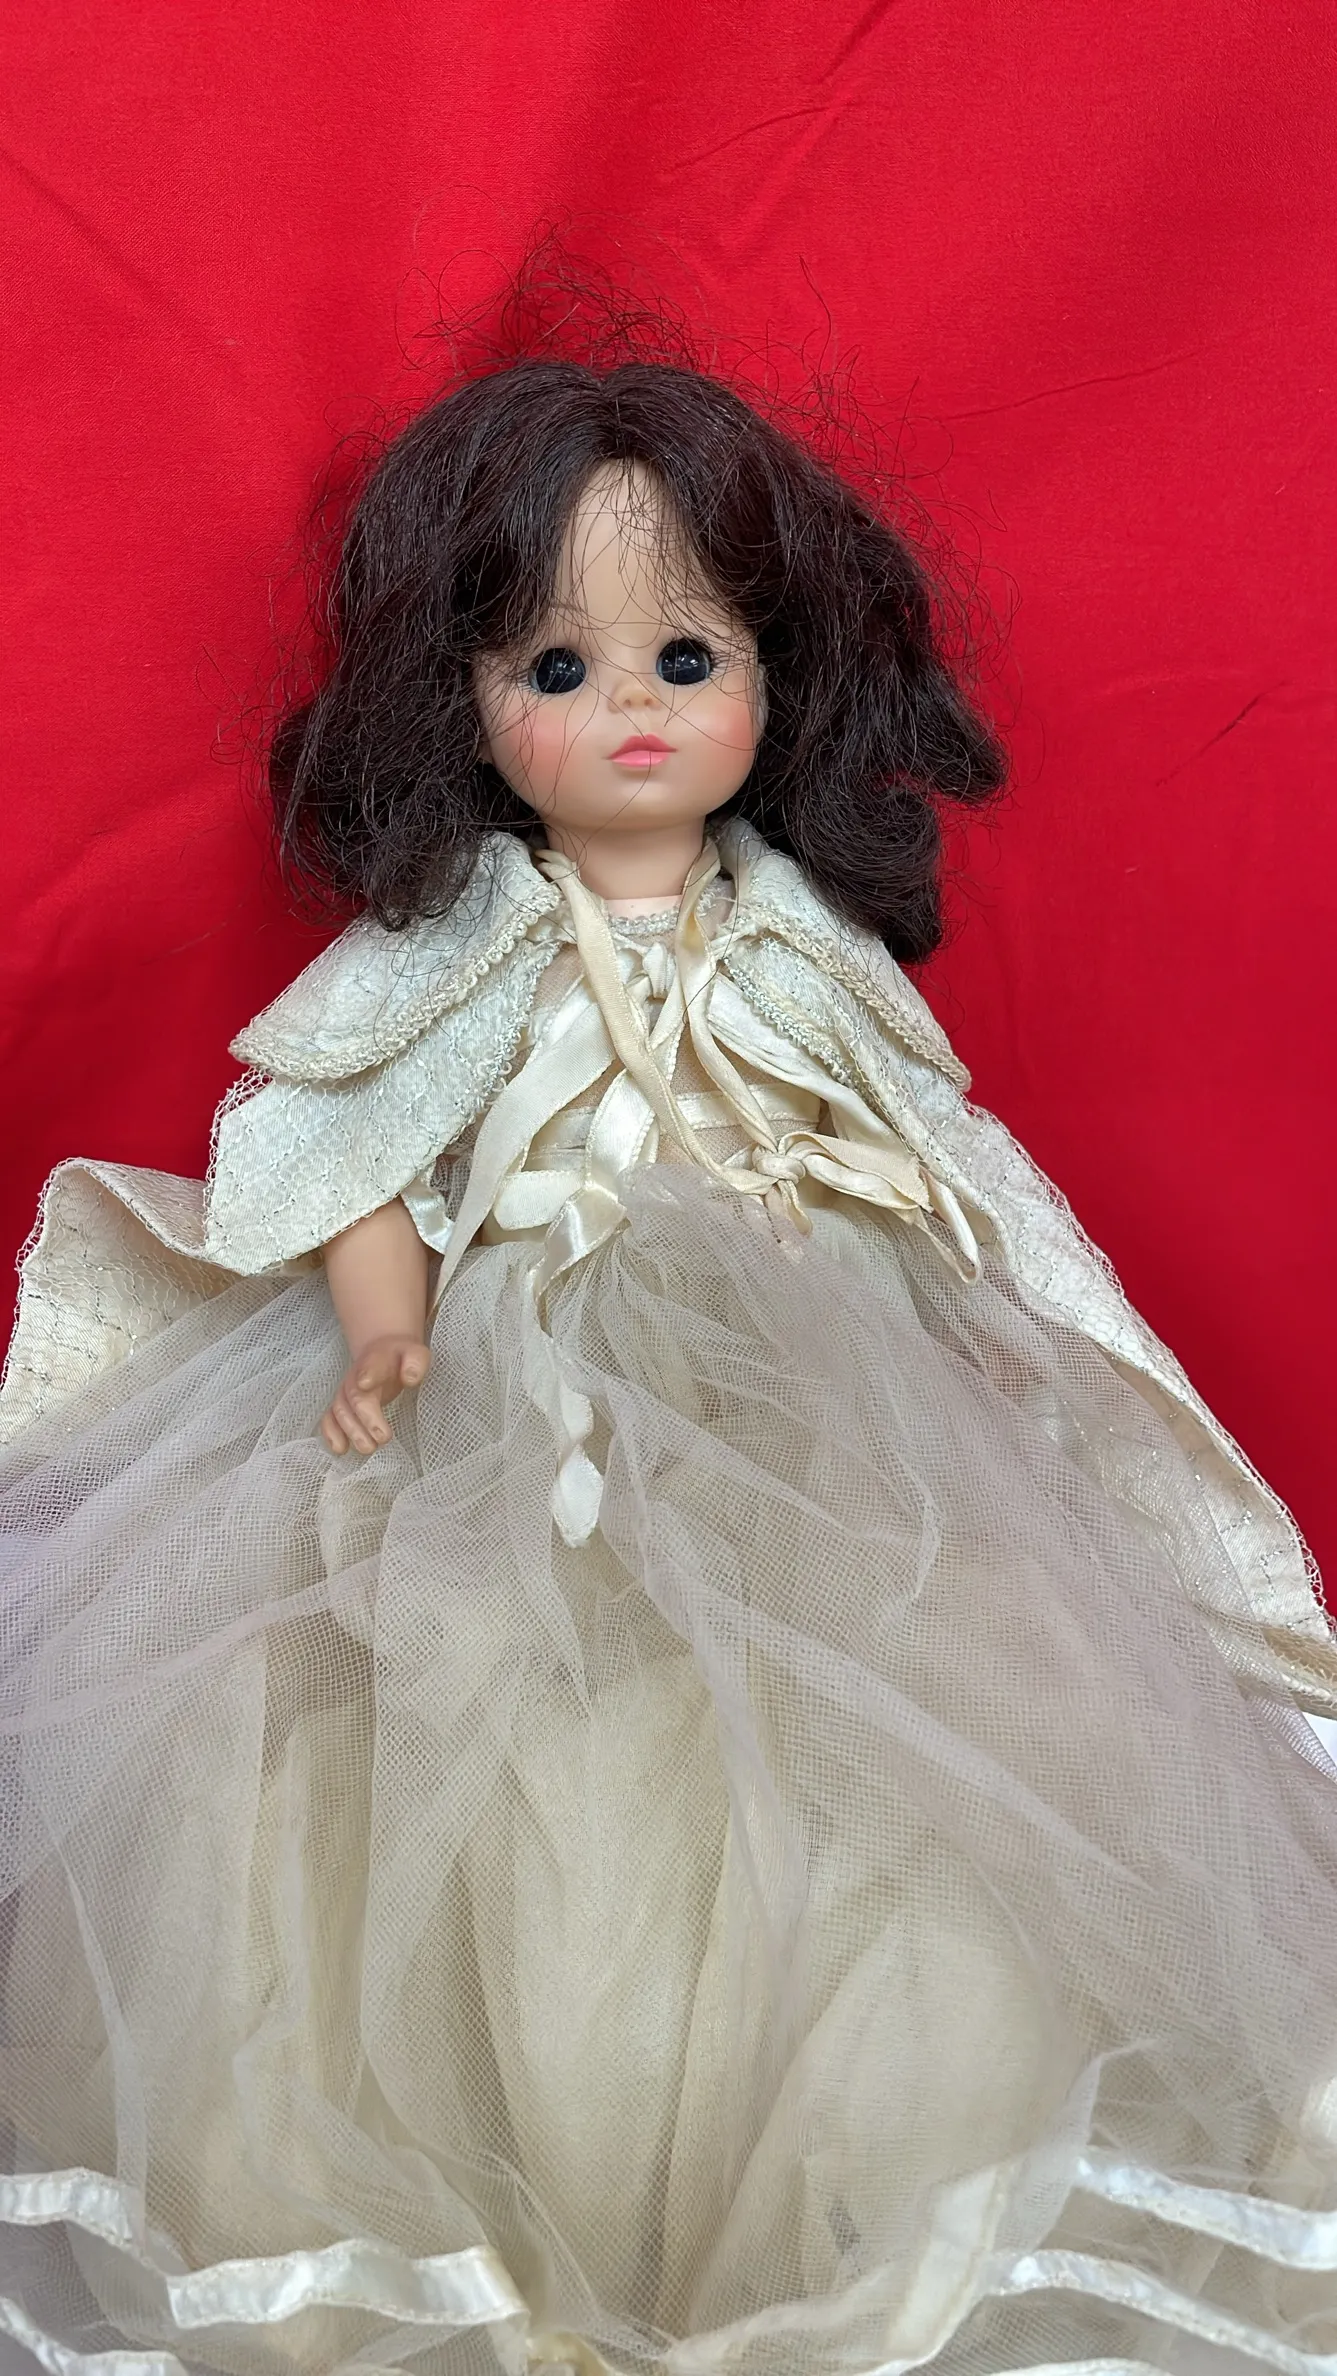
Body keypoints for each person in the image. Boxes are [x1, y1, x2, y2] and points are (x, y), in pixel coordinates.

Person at [2, 355, 1336, 2376]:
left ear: (776, 679)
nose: (630, 707)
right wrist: (385, 1325)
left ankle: (825, 2193)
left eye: (685, 656)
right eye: (557, 666)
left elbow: (930, 1173)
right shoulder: (457, 945)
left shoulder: (794, 946)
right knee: (466, 1765)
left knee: (865, 1779)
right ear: (457, 703)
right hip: (499, 1389)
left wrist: (956, 1334)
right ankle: (499, 2205)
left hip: (801, 1406)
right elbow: (355, 1155)